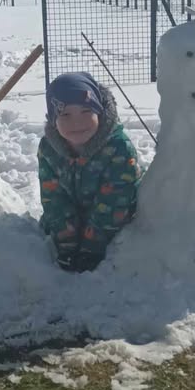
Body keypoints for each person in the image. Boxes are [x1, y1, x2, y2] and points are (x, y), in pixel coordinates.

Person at [38, 72, 142, 273]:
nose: (77, 122)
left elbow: (115, 201)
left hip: (114, 218)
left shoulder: (118, 148)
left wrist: (92, 247)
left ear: (99, 112)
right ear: (53, 119)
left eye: (86, 111)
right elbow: (53, 198)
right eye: (65, 115)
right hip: (76, 214)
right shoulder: (48, 149)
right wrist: (66, 243)